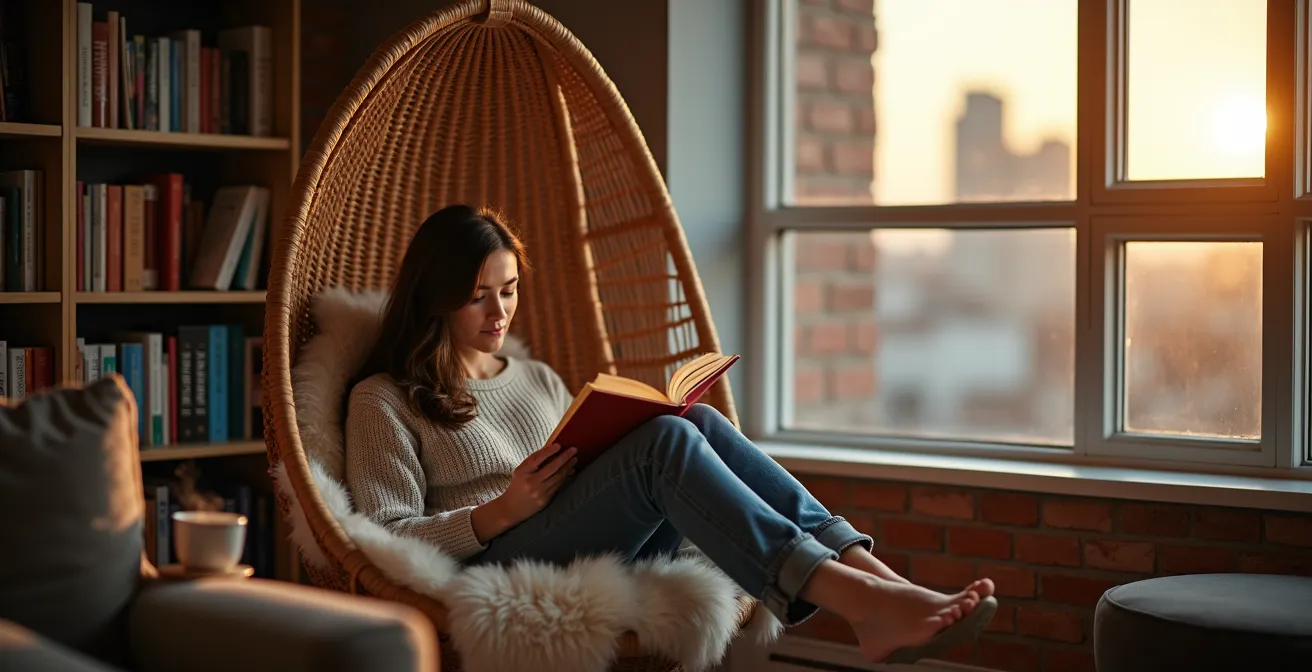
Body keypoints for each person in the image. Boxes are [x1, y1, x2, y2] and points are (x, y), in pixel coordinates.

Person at [344, 204, 996, 663]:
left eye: (510, 290)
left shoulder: (535, 376)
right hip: (496, 566)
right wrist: (495, 513)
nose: (500, 311)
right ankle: (861, 601)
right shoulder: (383, 401)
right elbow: (382, 536)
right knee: (665, 445)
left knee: (696, 421)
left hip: (585, 543)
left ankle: (881, 582)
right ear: (434, 296)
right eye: (478, 295)